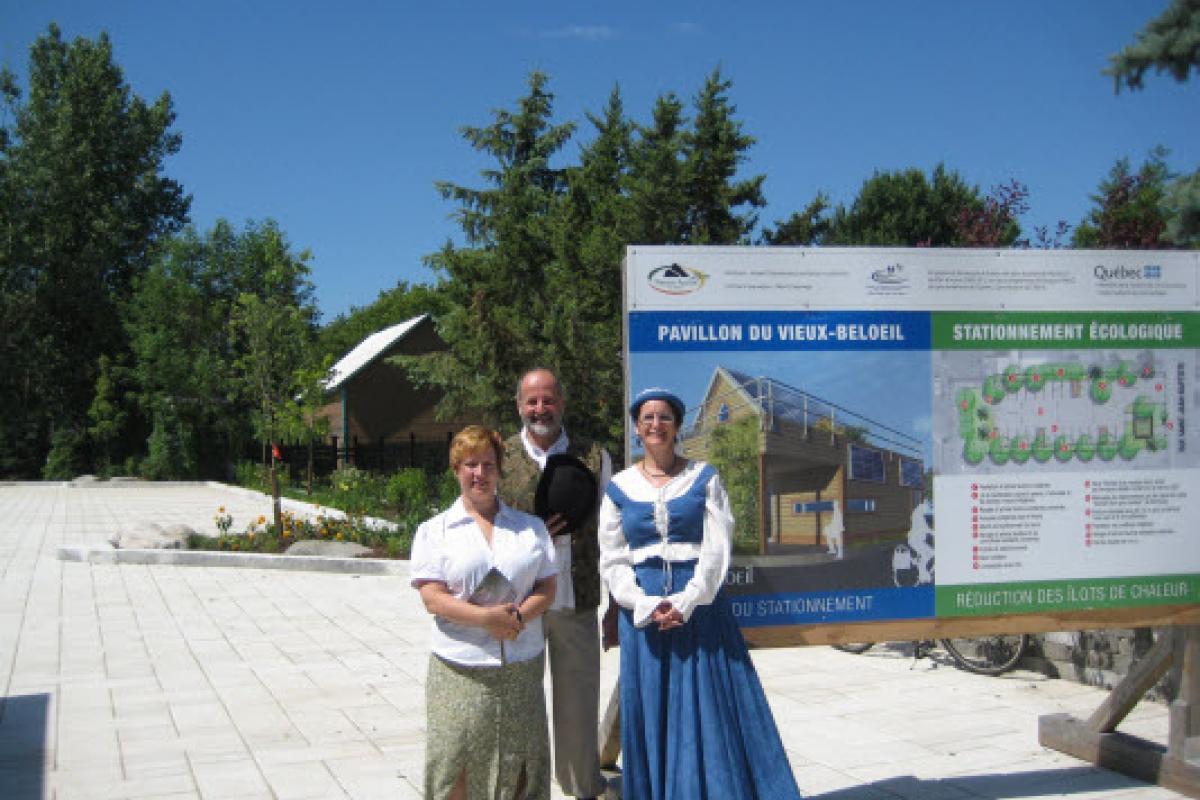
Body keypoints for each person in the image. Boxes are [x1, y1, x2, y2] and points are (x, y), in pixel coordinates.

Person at [598, 388, 803, 799]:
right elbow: (613, 558)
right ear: (637, 429)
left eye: (665, 418)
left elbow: (718, 546)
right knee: (654, 708)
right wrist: (646, 603)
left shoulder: (703, 477)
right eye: (648, 418)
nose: (656, 425)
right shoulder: (619, 488)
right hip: (644, 612)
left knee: (708, 709)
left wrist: (688, 600)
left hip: (700, 607)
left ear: (677, 427)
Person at [411, 425, 558, 799]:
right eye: (470, 465)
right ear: (457, 470)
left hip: (520, 668)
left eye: (488, 465)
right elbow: (433, 597)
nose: (480, 474)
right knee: (455, 762)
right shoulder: (435, 531)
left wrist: (520, 617)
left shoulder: (530, 528)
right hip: (460, 668)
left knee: (520, 765)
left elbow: (547, 586)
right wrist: (484, 619)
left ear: (499, 469)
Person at [498, 368, 610, 800]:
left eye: (548, 400)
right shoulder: (500, 456)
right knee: (521, 701)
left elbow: (610, 529)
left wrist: (616, 602)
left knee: (578, 702)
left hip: (576, 595)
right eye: (532, 401)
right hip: (521, 604)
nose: (540, 409)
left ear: (561, 403)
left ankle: (582, 786)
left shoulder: (593, 455)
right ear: (519, 405)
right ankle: (523, 788)